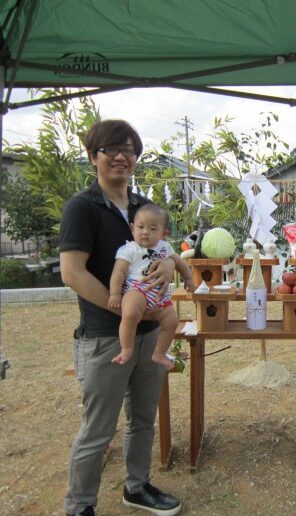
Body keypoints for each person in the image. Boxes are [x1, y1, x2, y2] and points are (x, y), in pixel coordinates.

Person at [59, 119, 193, 515]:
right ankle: (80, 506)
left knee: (143, 420)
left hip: (151, 331)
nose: (121, 156)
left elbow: (165, 249)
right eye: (111, 149)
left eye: (129, 150)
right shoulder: (83, 208)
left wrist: (170, 265)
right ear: (93, 156)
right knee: (97, 431)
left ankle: (137, 487)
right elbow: (73, 273)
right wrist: (123, 306)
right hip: (104, 335)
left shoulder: (141, 207)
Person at [109, 203, 191, 370]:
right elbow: (118, 272)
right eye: (141, 227)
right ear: (132, 228)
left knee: (172, 321)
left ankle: (159, 353)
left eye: (153, 229)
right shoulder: (129, 249)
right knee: (130, 313)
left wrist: (189, 279)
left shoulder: (165, 248)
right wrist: (115, 294)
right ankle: (126, 349)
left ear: (164, 233)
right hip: (137, 288)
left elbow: (180, 263)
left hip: (160, 295)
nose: (145, 232)